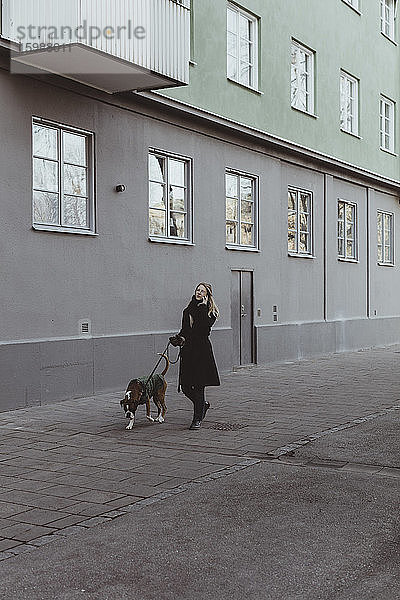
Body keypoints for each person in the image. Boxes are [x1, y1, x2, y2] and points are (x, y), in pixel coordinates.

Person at [170, 283, 220, 430]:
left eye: (202, 291)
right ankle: (203, 404)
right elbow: (185, 329)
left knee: (199, 387)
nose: (198, 292)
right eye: (198, 290)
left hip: (202, 352)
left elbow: (203, 328)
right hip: (188, 352)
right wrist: (179, 338)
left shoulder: (211, 312)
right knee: (185, 386)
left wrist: (203, 307)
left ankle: (197, 419)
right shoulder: (187, 310)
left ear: (207, 294)